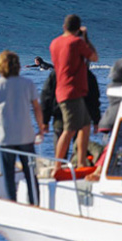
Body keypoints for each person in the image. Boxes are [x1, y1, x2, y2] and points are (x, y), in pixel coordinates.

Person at [0, 50, 45, 204]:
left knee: (8, 175)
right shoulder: (28, 83)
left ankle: (12, 204)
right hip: (26, 136)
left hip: (5, 138)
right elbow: (37, 108)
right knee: (31, 174)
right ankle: (35, 204)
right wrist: (41, 128)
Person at [49, 14, 98, 171]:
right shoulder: (77, 42)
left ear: (64, 27)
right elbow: (94, 57)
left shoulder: (54, 43)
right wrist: (86, 38)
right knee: (69, 130)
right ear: (78, 29)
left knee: (85, 125)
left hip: (65, 90)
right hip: (72, 91)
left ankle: (81, 162)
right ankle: (58, 165)